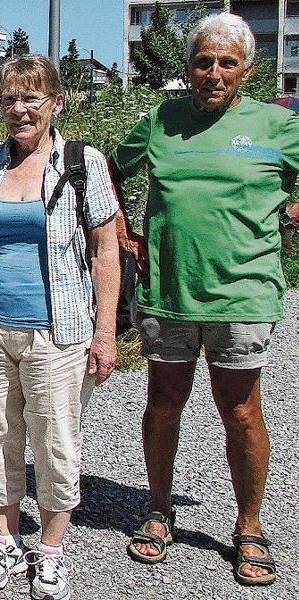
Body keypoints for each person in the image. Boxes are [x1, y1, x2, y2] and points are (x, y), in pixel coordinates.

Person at [112, 13, 296, 587]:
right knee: (164, 405)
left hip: (243, 292)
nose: (213, 73)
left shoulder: (276, 123)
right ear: (188, 66)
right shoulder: (163, 118)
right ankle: (159, 510)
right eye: (203, 61)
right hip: (169, 292)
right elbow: (107, 170)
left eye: (227, 63)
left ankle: (249, 527)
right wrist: (123, 232)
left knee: (240, 411)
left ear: (247, 69)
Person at [0, 55, 119, 599]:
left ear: (55, 104)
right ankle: (5, 541)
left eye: (31, 98)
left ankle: (52, 550)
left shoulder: (82, 164)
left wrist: (105, 333)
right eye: (10, 99)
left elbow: (106, 251)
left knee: (56, 441)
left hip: (57, 331)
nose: (19, 109)